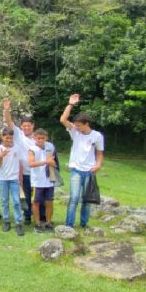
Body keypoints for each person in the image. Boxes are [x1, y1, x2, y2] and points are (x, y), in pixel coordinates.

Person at [60, 94, 104, 229]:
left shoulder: (97, 136)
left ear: (86, 124)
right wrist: (71, 104)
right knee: (73, 198)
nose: (76, 127)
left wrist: (98, 164)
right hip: (76, 169)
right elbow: (63, 119)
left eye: (79, 125)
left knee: (86, 200)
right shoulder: (75, 132)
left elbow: (99, 152)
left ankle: (84, 224)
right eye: (76, 125)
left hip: (89, 170)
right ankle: (69, 225)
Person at [3, 100, 37, 227]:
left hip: (37, 172)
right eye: (24, 126)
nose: (26, 128)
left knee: (39, 196)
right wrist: (6, 110)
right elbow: (9, 122)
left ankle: (42, 217)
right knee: (26, 195)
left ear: (33, 125)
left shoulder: (37, 138)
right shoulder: (18, 135)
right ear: (21, 126)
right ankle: (27, 216)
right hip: (25, 172)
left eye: (28, 125)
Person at [0, 129, 24, 236]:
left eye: (11, 138)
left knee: (16, 201)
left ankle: (18, 223)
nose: (9, 140)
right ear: (2, 137)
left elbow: (20, 164)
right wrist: (1, 155)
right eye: (6, 138)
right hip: (3, 179)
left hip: (14, 179)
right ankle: (6, 221)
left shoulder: (17, 148)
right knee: (4, 200)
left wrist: (20, 178)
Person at [28, 129, 57, 233]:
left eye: (43, 138)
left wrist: (52, 163)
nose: (40, 140)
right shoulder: (32, 149)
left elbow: (52, 160)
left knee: (49, 202)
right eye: (38, 138)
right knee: (36, 202)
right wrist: (46, 161)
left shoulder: (50, 146)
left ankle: (49, 223)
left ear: (46, 138)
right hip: (37, 181)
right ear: (34, 138)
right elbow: (31, 164)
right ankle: (37, 223)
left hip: (49, 179)